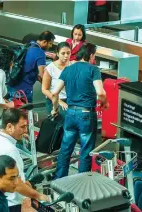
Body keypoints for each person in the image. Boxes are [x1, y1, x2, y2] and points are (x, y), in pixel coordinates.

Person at [51, 43, 108, 179]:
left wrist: (55, 109)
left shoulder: (68, 69)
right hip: (86, 114)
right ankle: (81, 184)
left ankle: (59, 180)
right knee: (86, 151)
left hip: (70, 113)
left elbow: (54, 93)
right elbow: (100, 92)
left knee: (65, 149)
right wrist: (105, 102)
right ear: (91, 55)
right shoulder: (93, 69)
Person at [0, 108, 49, 211]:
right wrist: (38, 196)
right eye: (22, 127)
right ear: (9, 127)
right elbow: (17, 185)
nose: (25, 130)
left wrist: (24, 184)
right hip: (10, 203)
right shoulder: (10, 150)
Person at [9, 31, 55, 103]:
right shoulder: (40, 53)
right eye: (50, 43)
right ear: (44, 42)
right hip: (24, 91)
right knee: (24, 112)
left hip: (12, 85)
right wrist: (50, 88)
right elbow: (43, 75)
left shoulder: (28, 45)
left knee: (12, 112)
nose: (51, 46)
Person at [42, 42, 71, 116]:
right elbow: (45, 90)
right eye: (63, 53)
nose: (66, 56)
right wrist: (59, 101)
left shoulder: (72, 66)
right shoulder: (50, 68)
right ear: (57, 54)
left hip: (70, 100)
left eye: (68, 53)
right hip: (54, 101)